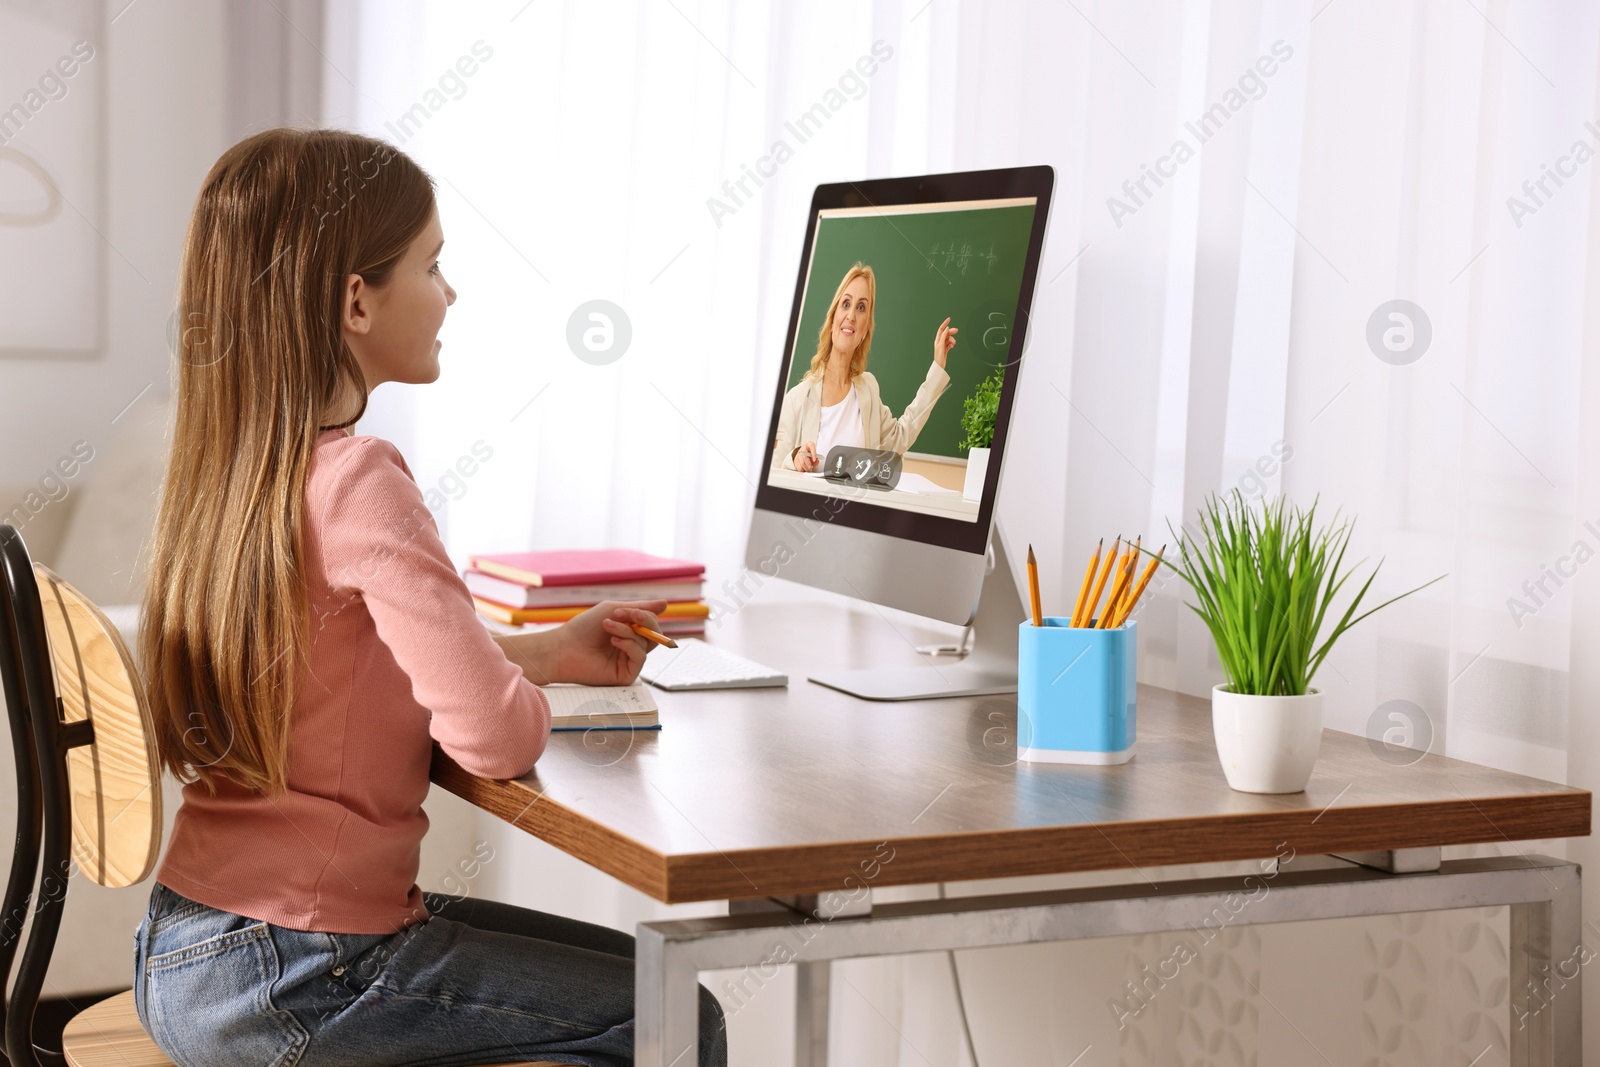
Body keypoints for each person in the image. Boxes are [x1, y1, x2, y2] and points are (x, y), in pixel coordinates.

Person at [133, 127, 727, 1067]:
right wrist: (517, 693)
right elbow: (496, 738)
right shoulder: (361, 478)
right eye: (433, 264)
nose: (451, 293)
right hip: (302, 969)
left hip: (193, 950)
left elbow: (346, 659)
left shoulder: (231, 475)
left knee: (655, 987)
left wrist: (536, 653)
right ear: (354, 299)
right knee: (676, 1018)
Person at [772, 261, 958, 473]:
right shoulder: (796, 399)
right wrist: (794, 458)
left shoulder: (868, 388)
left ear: (864, 331)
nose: (851, 316)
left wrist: (938, 366)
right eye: (846, 304)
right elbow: (775, 473)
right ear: (833, 319)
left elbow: (900, 437)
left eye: (861, 308)